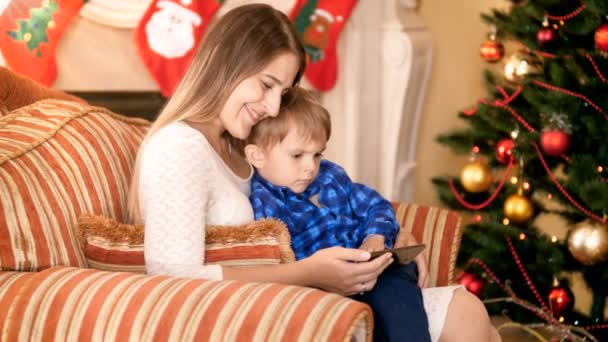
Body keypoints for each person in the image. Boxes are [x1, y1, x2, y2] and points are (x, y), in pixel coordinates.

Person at [128, 3, 501, 342]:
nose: (274, 107)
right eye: (266, 85)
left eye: (283, 91)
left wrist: (390, 234)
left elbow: (322, 200)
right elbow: (172, 277)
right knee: (465, 318)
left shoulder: (237, 143)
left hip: (306, 296)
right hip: (257, 314)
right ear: (227, 65)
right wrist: (310, 273)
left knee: (470, 313)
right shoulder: (180, 147)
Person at [245, 86, 431, 341]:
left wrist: (376, 237)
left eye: (317, 154)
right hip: (324, 287)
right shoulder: (265, 204)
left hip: (375, 271)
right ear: (257, 156)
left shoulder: (331, 175)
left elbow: (376, 205)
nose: (310, 167)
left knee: (397, 295)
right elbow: (280, 267)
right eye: (297, 155)